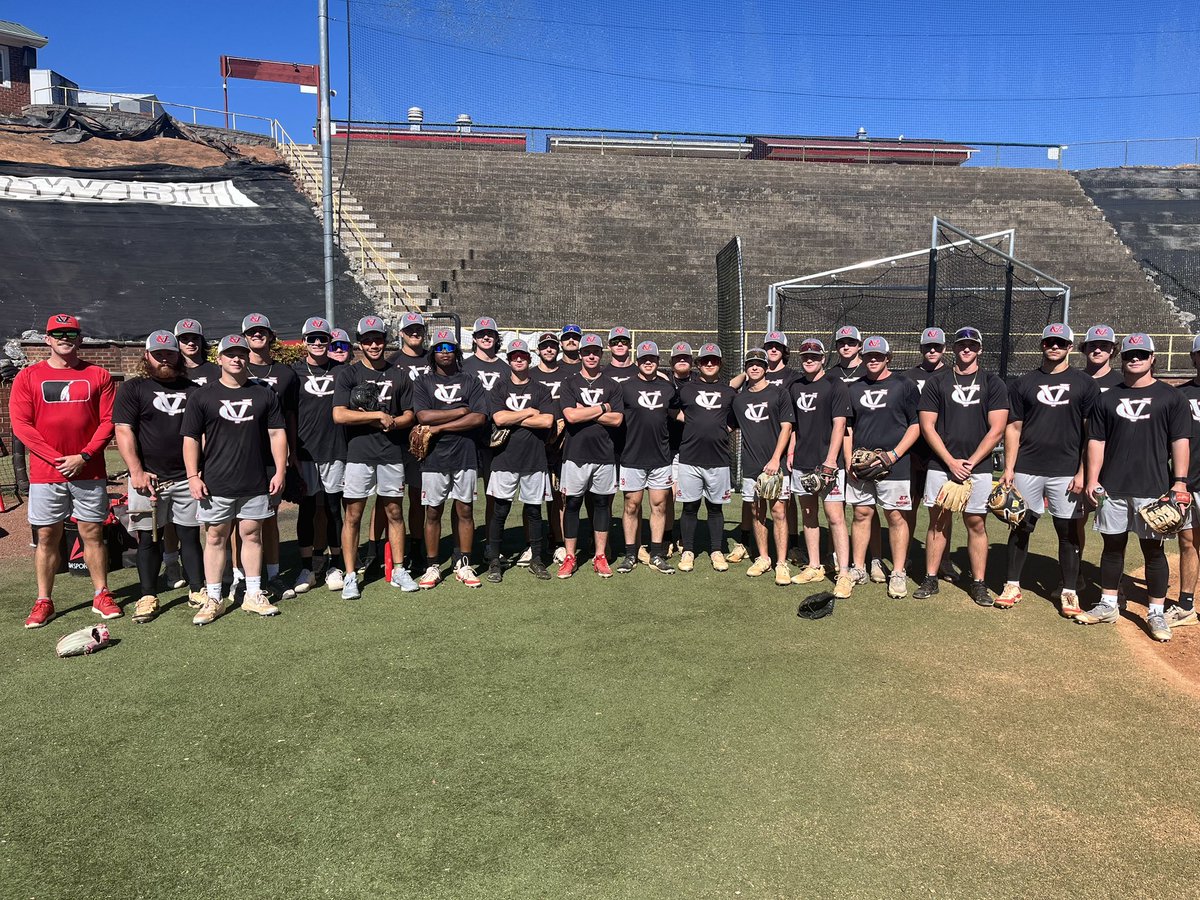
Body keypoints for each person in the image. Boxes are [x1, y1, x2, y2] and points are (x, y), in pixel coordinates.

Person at [1081, 333, 1189, 642]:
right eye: (1130, 354)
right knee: (1112, 547)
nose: (1135, 358)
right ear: (1121, 357)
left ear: (1153, 358)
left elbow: (1179, 441)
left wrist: (1179, 482)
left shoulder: (1171, 398)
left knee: (1153, 551)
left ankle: (1155, 612)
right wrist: (1092, 478)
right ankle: (1108, 604)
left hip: (1153, 488)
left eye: (1142, 354)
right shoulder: (1107, 398)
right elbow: (1096, 441)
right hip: (1113, 486)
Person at [12, 314, 118, 628]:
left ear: (80, 338)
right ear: (47, 339)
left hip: (89, 470)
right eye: (57, 333)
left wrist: (83, 455)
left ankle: (101, 594)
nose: (64, 338)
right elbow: (21, 425)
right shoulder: (28, 377)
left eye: (70, 333)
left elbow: (108, 421)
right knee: (47, 536)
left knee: (93, 534)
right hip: (48, 473)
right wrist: (58, 458)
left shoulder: (98, 374)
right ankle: (44, 600)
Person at [181, 334, 287, 624]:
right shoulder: (202, 396)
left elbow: (277, 433)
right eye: (230, 354)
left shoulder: (264, 393)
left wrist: (280, 470)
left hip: (255, 480)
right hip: (216, 481)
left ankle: (253, 594)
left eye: (241, 354)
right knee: (215, 538)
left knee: (252, 535)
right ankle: (213, 598)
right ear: (219, 359)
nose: (236, 358)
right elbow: (190, 438)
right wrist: (192, 475)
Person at [996, 324, 1098, 613]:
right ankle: (1012, 585)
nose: (1055, 347)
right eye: (1050, 342)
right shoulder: (1024, 382)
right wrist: (1009, 468)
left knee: (1067, 531)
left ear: (1069, 346)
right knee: (1021, 526)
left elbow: (1090, 433)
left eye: (1061, 343)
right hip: (1028, 467)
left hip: (1066, 470)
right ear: (1042, 345)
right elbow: (1014, 428)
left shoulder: (1084, 383)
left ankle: (1069, 591)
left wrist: (1083, 471)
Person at [113, 330, 205, 623]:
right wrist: (136, 471)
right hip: (148, 479)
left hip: (186, 477)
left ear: (178, 356)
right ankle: (147, 595)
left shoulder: (194, 390)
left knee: (190, 535)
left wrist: (198, 471)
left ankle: (196, 589)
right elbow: (123, 430)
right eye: (159, 354)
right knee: (147, 540)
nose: (165, 359)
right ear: (147, 356)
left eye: (170, 353)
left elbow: (203, 434)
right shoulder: (134, 389)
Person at [915, 326, 1009, 606]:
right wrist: (950, 461)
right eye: (961, 345)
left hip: (977, 467)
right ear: (954, 349)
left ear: (979, 349)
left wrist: (970, 462)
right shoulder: (938, 382)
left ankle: (978, 583)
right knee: (938, 521)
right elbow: (927, 425)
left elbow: (997, 429)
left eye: (971, 345)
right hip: (942, 464)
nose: (966, 349)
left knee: (976, 522)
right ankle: (930, 577)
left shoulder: (993, 383)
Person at [332, 315, 418, 598]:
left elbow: (409, 414)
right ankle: (349, 575)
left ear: (385, 340)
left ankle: (399, 569)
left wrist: (393, 422)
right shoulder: (348, 373)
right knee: (353, 515)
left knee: (394, 512)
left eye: (378, 339)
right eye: (367, 340)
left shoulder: (399, 374)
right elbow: (339, 414)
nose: (373, 344)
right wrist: (376, 416)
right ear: (360, 343)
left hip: (391, 452)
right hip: (358, 454)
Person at [843, 337, 921, 599]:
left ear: (889, 357)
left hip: (894, 464)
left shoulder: (904, 385)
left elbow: (916, 424)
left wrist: (894, 455)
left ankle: (898, 572)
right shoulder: (854, 388)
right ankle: (858, 568)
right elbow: (848, 428)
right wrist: (848, 460)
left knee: (895, 516)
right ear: (862, 358)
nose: (873, 359)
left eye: (878, 355)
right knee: (862, 514)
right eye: (868, 355)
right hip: (862, 465)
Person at [413, 327, 489, 589]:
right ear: (433, 353)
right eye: (439, 348)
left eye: (449, 348)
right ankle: (432, 565)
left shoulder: (470, 380)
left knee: (465, 509)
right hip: (434, 457)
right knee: (433, 511)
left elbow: (479, 417)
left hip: (465, 454)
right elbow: (423, 416)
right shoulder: (423, 382)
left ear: (456, 352)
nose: (445, 353)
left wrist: (440, 427)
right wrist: (460, 411)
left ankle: (464, 563)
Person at [484, 339, 556, 582]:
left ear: (529, 358)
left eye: (522, 356)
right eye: (514, 356)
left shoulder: (541, 389)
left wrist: (513, 417)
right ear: (509, 359)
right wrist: (528, 413)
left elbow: (547, 422)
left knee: (534, 512)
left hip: (534, 459)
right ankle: (494, 560)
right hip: (505, 458)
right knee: (500, 511)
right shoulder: (499, 388)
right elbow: (499, 419)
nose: (518, 359)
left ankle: (536, 558)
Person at [241, 312, 301, 601]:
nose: (257, 335)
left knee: (270, 518)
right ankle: (238, 577)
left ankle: (274, 575)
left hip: (270, 455)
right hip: (238, 454)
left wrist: (289, 452)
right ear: (244, 338)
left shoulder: (287, 373)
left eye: (262, 331)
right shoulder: (232, 370)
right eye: (252, 332)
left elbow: (290, 416)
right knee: (234, 520)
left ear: (271, 336)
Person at [787, 338, 852, 592]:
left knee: (835, 517)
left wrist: (831, 460)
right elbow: (793, 426)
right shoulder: (795, 387)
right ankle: (814, 566)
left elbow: (840, 425)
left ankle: (844, 573)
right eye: (805, 356)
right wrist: (792, 450)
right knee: (808, 514)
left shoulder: (836, 385)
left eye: (814, 356)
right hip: (803, 461)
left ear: (823, 358)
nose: (809, 359)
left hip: (828, 464)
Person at [557, 333, 624, 578]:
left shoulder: (613, 385)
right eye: (587, 352)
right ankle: (570, 556)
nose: (591, 355)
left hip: (604, 454)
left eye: (596, 352)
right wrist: (603, 408)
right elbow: (570, 417)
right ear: (581, 354)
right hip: (575, 454)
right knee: (572, 503)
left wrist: (586, 411)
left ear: (601, 354)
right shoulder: (569, 383)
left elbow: (617, 420)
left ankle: (600, 556)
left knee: (601, 505)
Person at [291, 316, 347, 594]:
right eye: (311, 339)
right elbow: (287, 416)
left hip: (336, 449)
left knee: (335, 507)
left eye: (322, 338)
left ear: (329, 341)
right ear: (304, 342)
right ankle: (307, 566)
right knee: (309, 508)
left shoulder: (343, 371)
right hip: (305, 451)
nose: (317, 343)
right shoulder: (294, 373)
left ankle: (337, 564)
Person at [731, 348, 794, 586]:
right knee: (757, 512)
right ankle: (763, 558)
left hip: (774, 463)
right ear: (745, 369)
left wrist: (776, 458)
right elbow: (729, 388)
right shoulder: (739, 399)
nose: (755, 367)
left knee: (779, 512)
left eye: (759, 364)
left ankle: (781, 563)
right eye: (750, 364)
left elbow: (787, 427)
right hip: (750, 464)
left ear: (766, 367)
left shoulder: (780, 393)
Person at [673, 343, 737, 572]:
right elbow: (671, 409)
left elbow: (736, 418)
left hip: (718, 459)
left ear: (720, 364)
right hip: (689, 457)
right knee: (689, 507)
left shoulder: (729, 392)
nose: (710, 364)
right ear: (698, 364)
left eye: (714, 360)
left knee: (715, 508)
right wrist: (690, 423)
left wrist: (721, 430)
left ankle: (716, 550)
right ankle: (688, 550)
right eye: (705, 360)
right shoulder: (686, 390)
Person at [901, 327, 958, 582]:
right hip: (914, 452)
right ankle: (905, 557)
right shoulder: (908, 376)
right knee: (908, 507)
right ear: (921, 349)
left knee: (945, 507)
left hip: (943, 452)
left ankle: (944, 560)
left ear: (945, 348)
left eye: (937, 347)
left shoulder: (953, 375)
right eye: (927, 347)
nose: (932, 351)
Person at [616, 341, 676, 574]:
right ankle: (631, 554)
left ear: (658, 362)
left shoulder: (668, 389)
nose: (648, 362)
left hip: (660, 458)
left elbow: (679, 413)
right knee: (632, 505)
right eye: (644, 359)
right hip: (632, 457)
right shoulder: (625, 388)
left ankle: (657, 554)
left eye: (652, 358)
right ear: (637, 362)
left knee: (659, 506)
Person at [389, 310, 433, 567]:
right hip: (397, 438)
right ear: (401, 333)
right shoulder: (392, 361)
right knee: (389, 499)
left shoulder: (434, 359)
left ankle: (417, 547)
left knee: (418, 496)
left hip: (427, 437)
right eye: (410, 330)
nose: (415, 333)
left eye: (418, 330)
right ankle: (378, 550)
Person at [463, 315, 508, 546]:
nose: (486, 337)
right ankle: (463, 546)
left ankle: (492, 544)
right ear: (474, 338)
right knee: (464, 498)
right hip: (468, 437)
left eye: (490, 333)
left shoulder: (505, 368)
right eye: (482, 333)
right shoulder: (464, 365)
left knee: (494, 494)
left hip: (497, 437)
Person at [1170, 336, 1200, 629]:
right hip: (1188, 483)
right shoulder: (1180, 396)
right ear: (1193, 357)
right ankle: (1186, 605)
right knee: (1188, 541)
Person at [531, 331, 568, 563]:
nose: (549, 350)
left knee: (559, 494)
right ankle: (531, 543)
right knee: (533, 495)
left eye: (553, 346)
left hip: (563, 441)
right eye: (545, 346)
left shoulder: (568, 375)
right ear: (538, 350)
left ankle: (559, 541)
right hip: (534, 440)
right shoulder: (530, 375)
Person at [176, 318, 220, 386]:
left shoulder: (216, 371)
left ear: (202, 341)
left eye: (195, 338)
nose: (191, 343)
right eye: (185, 339)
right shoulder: (172, 372)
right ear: (177, 342)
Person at [1081, 324, 1122, 392]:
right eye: (1093, 346)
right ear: (1085, 348)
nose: (1097, 351)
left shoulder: (1121, 382)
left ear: (1112, 349)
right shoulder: (1074, 380)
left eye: (1103, 346)